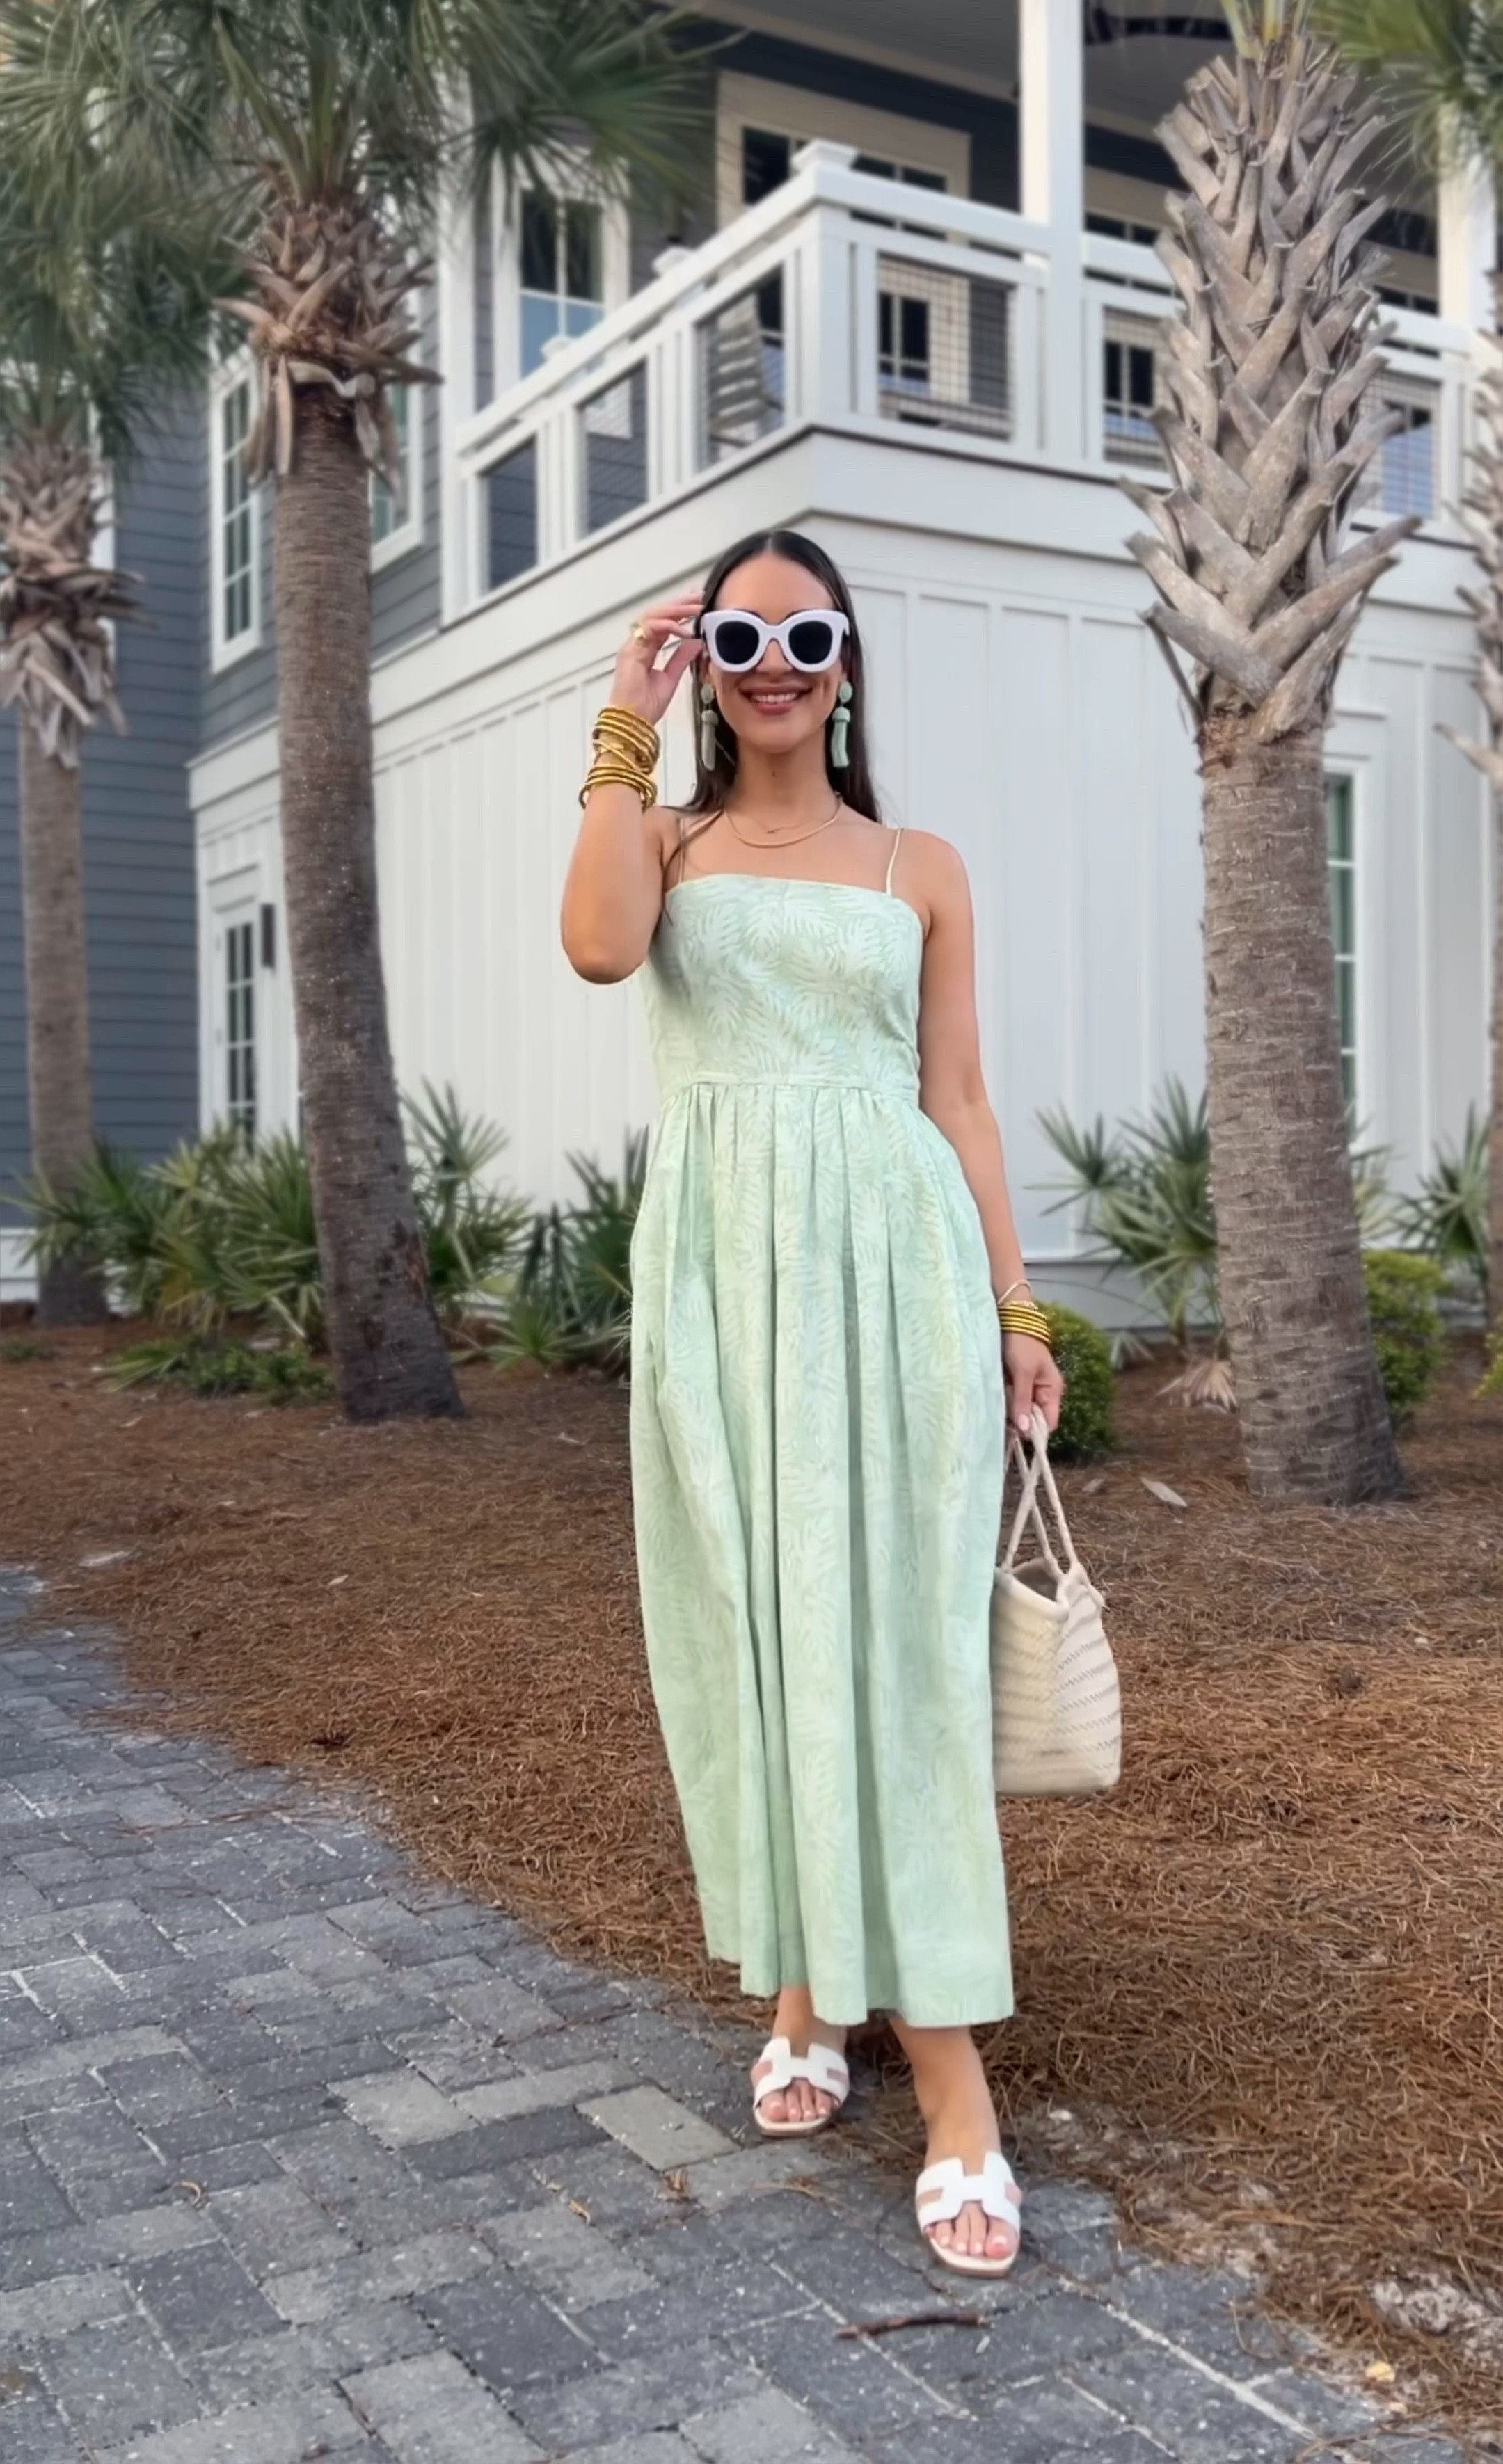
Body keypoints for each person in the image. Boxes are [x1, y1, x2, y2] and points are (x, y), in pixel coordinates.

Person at [562, 528, 1063, 2277]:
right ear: (707, 649)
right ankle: (799, 1979)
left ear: (849, 663)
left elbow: (964, 1098)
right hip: (726, 1281)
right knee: (756, 1630)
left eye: (809, 632)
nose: (777, 658)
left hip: (900, 1277)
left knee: (899, 1657)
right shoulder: (667, 838)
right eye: (742, 631)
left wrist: (1013, 1305)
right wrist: (625, 723)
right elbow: (600, 952)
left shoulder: (920, 863)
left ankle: (951, 2084)